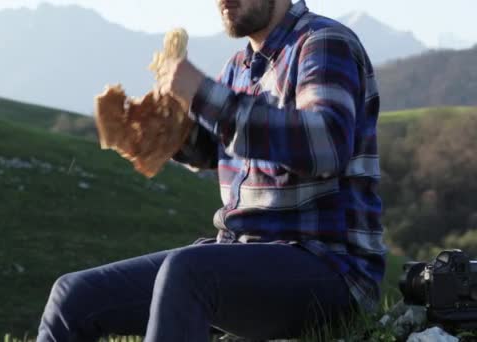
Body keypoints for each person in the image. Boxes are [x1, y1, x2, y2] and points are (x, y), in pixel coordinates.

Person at [37, 0, 387, 341]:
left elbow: (325, 146)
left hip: (330, 268)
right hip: (242, 258)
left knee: (190, 272)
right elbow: (213, 148)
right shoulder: (239, 66)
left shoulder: (323, 42)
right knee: (73, 295)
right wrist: (164, 133)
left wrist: (203, 94)